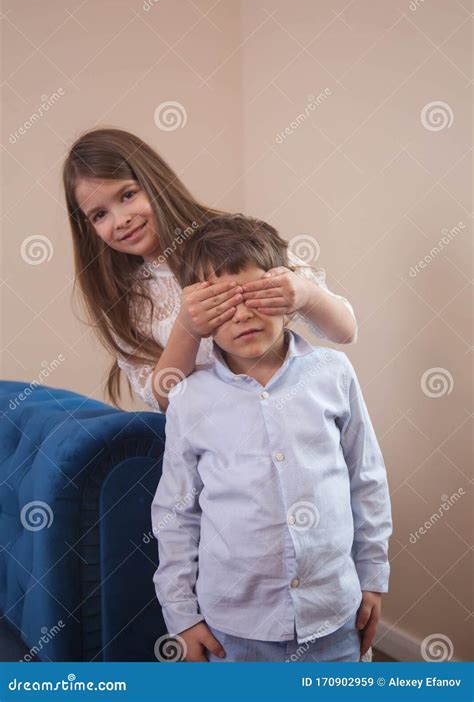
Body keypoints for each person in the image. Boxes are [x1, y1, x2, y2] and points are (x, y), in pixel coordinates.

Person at [152, 213, 392, 663]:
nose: (243, 313)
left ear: (286, 294)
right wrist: (181, 615)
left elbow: (367, 478)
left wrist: (373, 575)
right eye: (222, 303)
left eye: (257, 295)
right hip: (235, 627)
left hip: (334, 614)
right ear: (198, 316)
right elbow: (175, 512)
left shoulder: (333, 374)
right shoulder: (190, 397)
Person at [63, 128, 358, 414]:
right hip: (214, 446)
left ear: (154, 182)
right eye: (99, 214)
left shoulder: (235, 244)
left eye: (127, 195)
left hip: (281, 418)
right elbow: (164, 399)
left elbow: (345, 331)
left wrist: (304, 294)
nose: (121, 219)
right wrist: (187, 329)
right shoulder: (127, 300)